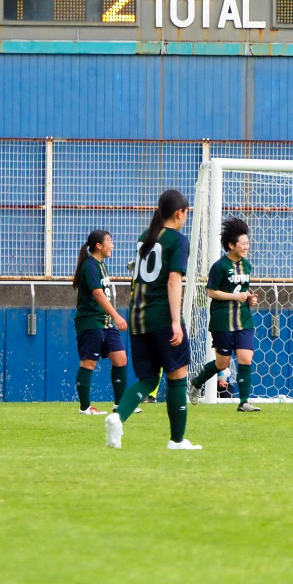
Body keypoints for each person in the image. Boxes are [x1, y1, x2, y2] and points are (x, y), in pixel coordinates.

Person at [104, 189, 200, 451]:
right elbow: (173, 282)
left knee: (147, 378)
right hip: (161, 317)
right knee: (177, 376)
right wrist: (176, 322)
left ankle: (118, 417)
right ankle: (177, 440)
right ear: (179, 213)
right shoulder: (177, 240)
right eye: (186, 213)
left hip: (138, 318)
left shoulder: (144, 237)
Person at [190, 217, 261, 412]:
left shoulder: (246, 266)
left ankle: (244, 402)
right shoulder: (219, 266)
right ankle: (196, 383)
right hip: (223, 322)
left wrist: (249, 298)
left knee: (246, 358)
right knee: (222, 364)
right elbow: (211, 292)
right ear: (231, 245)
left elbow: (242, 290)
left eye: (247, 243)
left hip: (244, 319)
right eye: (243, 243)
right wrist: (235, 297)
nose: (247, 247)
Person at [73, 229, 130, 415]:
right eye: (109, 241)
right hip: (91, 321)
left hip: (105, 322)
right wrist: (116, 316)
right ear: (98, 245)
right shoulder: (89, 266)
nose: (112, 245)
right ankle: (85, 408)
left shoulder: (101, 265)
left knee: (120, 358)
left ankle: (120, 405)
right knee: (89, 363)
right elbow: (98, 294)